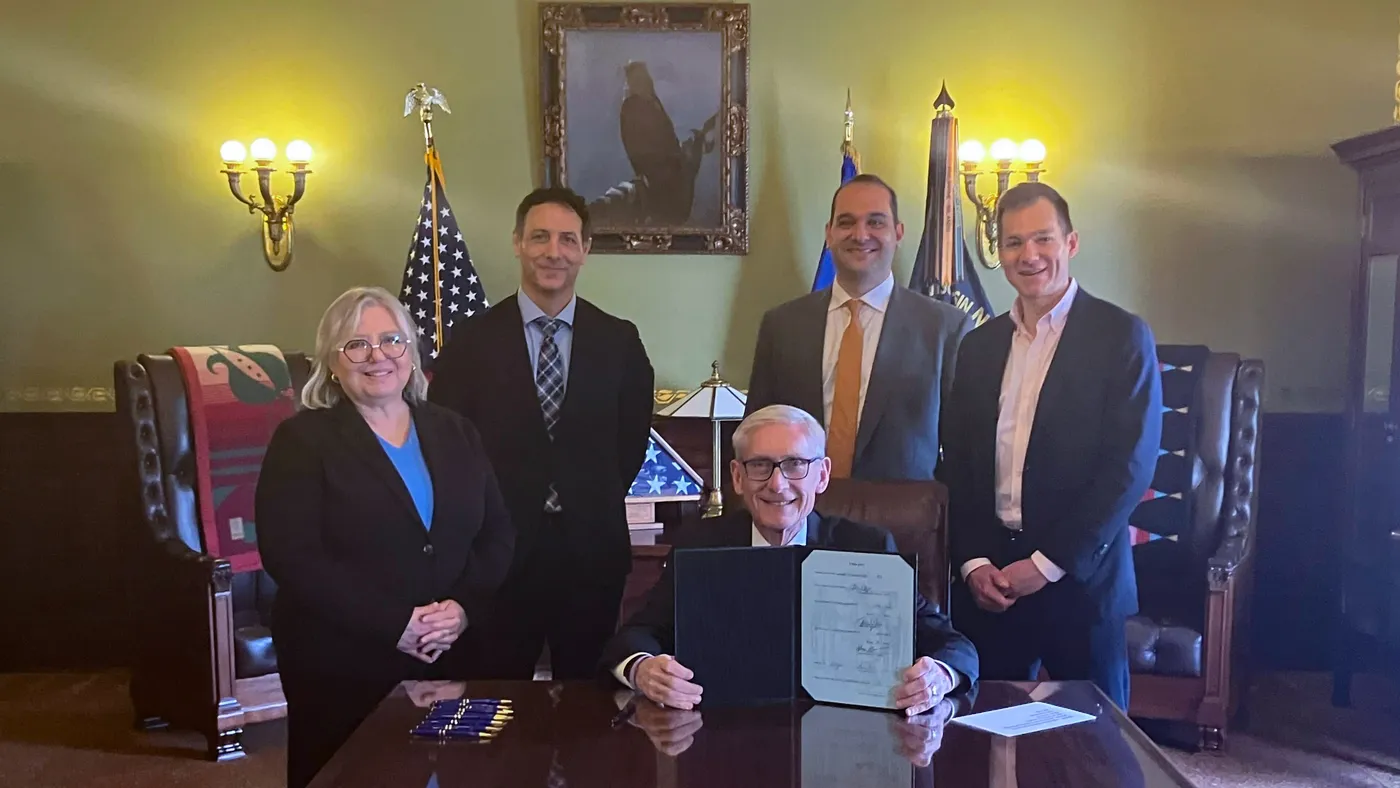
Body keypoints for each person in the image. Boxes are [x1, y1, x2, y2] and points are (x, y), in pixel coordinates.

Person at [255, 286, 515, 788]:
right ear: (333, 361)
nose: (378, 356)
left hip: (453, 649)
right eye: (357, 345)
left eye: (392, 340)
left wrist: (462, 608)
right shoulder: (302, 441)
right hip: (341, 659)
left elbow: (498, 534)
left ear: (411, 353)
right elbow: (290, 556)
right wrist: (395, 623)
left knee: (453, 774)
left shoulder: (456, 431)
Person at [600, 404, 979, 716]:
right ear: (737, 476)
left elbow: (951, 643)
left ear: (822, 474)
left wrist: (940, 676)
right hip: (726, 738)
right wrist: (643, 668)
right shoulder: (701, 543)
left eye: (796, 464)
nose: (777, 484)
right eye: (759, 465)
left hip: (847, 741)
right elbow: (636, 635)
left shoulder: (867, 545)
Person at [942, 182, 1162, 710]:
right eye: (1013, 243)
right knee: (982, 745)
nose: (1029, 255)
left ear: (1071, 242)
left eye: (1043, 238)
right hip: (990, 587)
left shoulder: (1121, 337)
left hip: (1080, 587)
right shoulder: (978, 346)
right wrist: (972, 562)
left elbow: (1127, 470)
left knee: (1094, 752)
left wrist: (1045, 564)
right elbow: (958, 464)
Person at [429, 186, 655, 680]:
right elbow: (449, 448)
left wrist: (582, 496)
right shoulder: (470, 343)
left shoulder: (620, 341)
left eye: (568, 240)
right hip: (497, 556)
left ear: (585, 250)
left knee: (588, 707)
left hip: (590, 555)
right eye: (540, 237)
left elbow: (629, 446)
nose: (554, 252)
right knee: (494, 701)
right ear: (517, 243)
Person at [745, 174, 973, 480]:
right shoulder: (782, 326)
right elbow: (758, 435)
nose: (860, 234)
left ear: (898, 232)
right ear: (829, 234)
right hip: (803, 518)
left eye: (876, 222)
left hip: (903, 519)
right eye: (846, 222)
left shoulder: (945, 329)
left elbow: (963, 450)